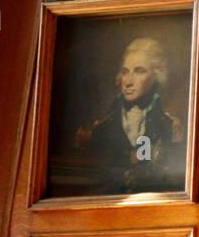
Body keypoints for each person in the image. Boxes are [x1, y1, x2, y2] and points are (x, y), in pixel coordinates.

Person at [74, 37, 185, 194]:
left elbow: (176, 179)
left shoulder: (170, 126)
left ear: (157, 76)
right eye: (125, 72)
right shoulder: (97, 127)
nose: (128, 81)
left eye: (139, 71)